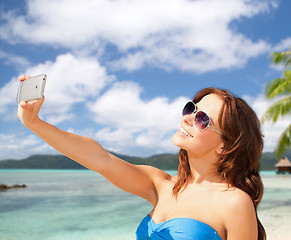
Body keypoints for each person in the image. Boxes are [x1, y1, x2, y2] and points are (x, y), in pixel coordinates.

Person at [17, 75, 266, 240]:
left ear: (225, 146)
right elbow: (98, 158)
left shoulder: (234, 203)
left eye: (203, 120)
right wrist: (34, 123)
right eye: (192, 108)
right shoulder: (161, 185)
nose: (188, 117)